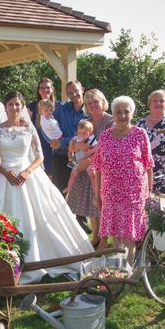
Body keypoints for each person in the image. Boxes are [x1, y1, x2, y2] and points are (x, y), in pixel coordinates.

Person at [0, 91, 93, 285]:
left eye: (17, 104)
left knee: (43, 218)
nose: (14, 108)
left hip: (29, 176)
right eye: (10, 104)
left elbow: (40, 157)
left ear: (22, 106)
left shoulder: (30, 129)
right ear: (5, 107)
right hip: (4, 178)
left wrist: (27, 171)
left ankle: (46, 258)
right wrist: (5, 172)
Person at [93, 96, 154, 268]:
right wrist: (98, 194)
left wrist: (149, 191)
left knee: (129, 236)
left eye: (126, 111)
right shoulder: (105, 136)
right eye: (118, 112)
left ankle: (126, 272)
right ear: (112, 114)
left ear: (132, 113)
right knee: (114, 235)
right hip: (111, 193)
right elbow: (97, 167)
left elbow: (148, 165)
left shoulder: (140, 134)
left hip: (133, 194)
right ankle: (117, 270)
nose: (122, 115)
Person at [67, 89, 113, 246]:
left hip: (103, 169)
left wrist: (83, 163)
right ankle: (96, 236)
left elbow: (106, 147)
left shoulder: (110, 121)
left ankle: (104, 238)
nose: (93, 105)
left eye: (96, 101)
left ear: (103, 102)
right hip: (86, 169)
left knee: (102, 203)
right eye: (89, 103)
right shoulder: (85, 121)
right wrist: (74, 146)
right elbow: (75, 141)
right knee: (92, 204)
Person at [51, 80, 88, 193]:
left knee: (78, 194)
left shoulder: (89, 111)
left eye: (76, 91)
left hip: (82, 158)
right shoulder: (61, 109)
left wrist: (62, 142)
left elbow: (85, 138)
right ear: (67, 95)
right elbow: (49, 126)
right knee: (58, 192)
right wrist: (53, 142)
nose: (74, 95)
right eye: (70, 93)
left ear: (82, 89)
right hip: (61, 157)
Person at [26, 78, 58, 177]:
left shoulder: (59, 106)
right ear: (38, 90)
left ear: (52, 89)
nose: (45, 90)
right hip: (37, 147)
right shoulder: (30, 107)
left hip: (55, 148)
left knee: (54, 180)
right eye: (42, 88)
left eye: (48, 87)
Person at [66, 119, 97, 196]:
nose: (81, 135)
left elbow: (98, 147)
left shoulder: (92, 139)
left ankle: (95, 189)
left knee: (92, 173)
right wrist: (75, 147)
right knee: (73, 173)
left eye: (84, 133)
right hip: (78, 160)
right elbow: (70, 149)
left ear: (90, 133)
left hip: (89, 160)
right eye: (80, 133)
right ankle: (69, 187)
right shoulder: (76, 138)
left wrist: (91, 151)